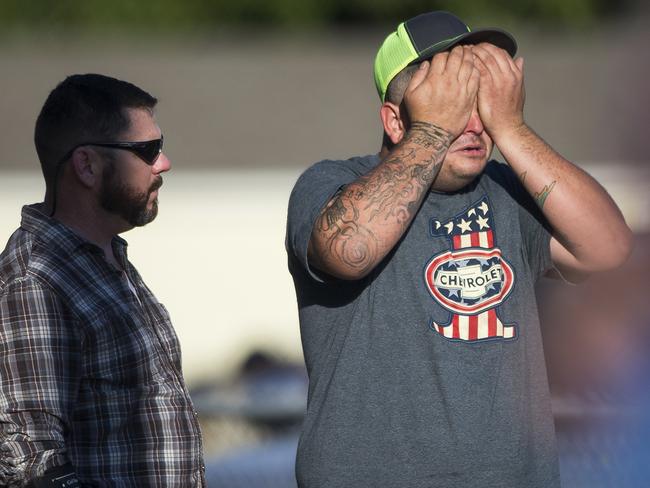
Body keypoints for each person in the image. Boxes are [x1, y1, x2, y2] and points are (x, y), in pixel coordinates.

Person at [285, 11, 632, 488]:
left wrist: (512, 129)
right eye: (449, 103)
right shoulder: (329, 183)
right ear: (393, 120)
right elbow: (350, 249)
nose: (472, 124)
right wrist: (431, 131)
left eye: (479, 100)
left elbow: (608, 249)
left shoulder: (510, 192)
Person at [0, 74, 205, 487]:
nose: (163, 163)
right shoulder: (36, 281)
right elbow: (34, 468)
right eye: (147, 151)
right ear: (87, 165)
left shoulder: (105, 260)